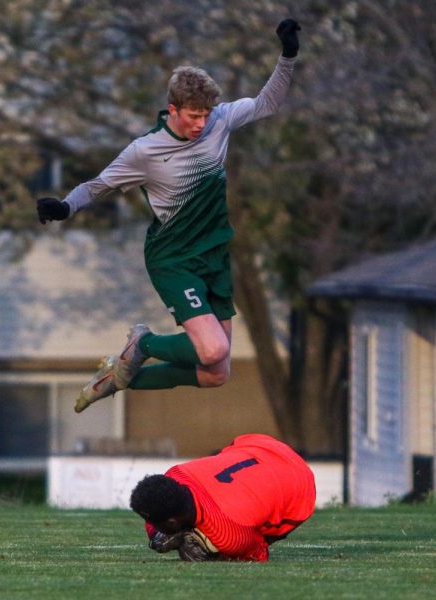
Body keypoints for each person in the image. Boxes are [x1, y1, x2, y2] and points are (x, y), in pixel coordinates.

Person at [37, 19, 302, 413]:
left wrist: (288, 55)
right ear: (173, 108)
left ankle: (119, 379)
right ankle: (142, 343)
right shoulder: (145, 151)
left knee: (217, 372)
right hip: (172, 257)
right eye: (193, 116)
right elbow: (98, 186)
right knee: (213, 348)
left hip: (214, 253)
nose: (201, 124)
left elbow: (268, 103)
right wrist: (64, 206)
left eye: (205, 115)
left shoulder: (219, 121)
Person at [129, 433, 315, 562]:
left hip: (299, 481)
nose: (151, 527)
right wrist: (156, 535)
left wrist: (214, 555)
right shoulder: (175, 474)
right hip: (259, 444)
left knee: (262, 533)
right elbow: (157, 510)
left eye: (155, 526)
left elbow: (258, 552)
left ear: (172, 522)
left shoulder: (228, 535)